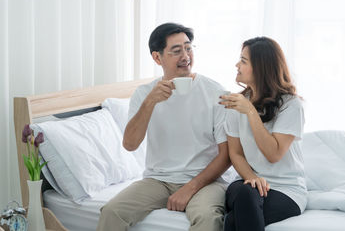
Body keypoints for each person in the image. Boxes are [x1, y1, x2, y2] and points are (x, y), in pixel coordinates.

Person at [96, 23, 231, 231]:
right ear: (157, 58)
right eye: (176, 51)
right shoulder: (144, 94)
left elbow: (226, 155)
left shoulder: (215, 92)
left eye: (188, 48)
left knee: (207, 218)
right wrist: (150, 102)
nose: (185, 56)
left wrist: (189, 188)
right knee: (111, 212)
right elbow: (130, 144)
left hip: (205, 181)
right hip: (157, 180)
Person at [220, 37, 307, 231]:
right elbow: (236, 153)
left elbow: (273, 154)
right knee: (246, 192)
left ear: (261, 68)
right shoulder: (236, 103)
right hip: (245, 182)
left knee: (234, 221)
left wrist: (251, 112)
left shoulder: (291, 105)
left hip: (286, 190)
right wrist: (251, 177)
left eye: (243, 61)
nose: (237, 65)